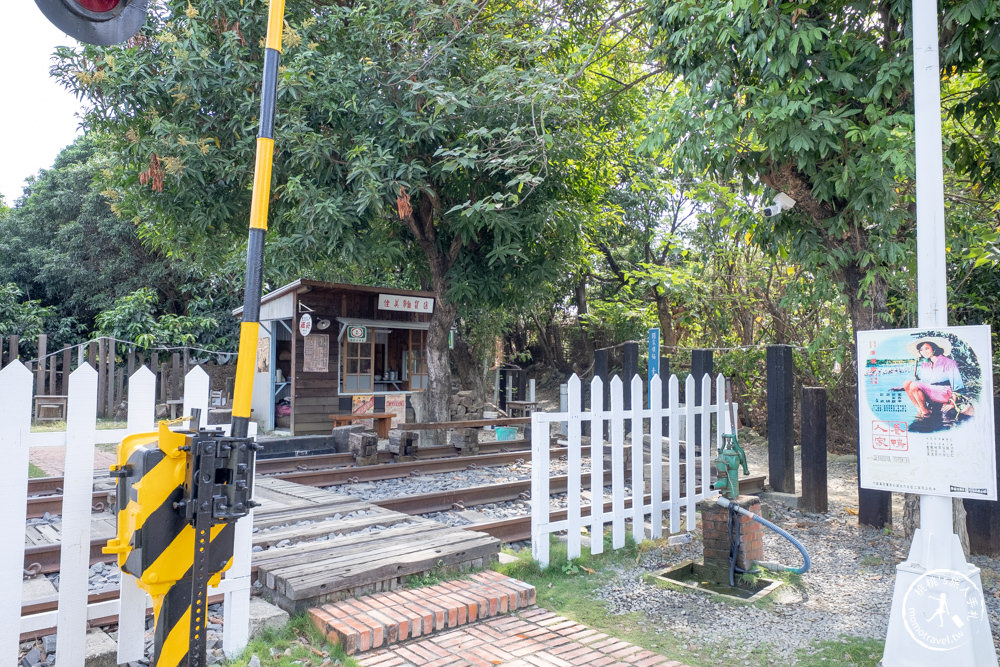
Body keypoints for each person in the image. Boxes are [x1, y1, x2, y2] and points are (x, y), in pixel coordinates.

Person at [902, 338, 966, 418]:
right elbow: (923, 383)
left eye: (927, 348)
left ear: (934, 348)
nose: (924, 352)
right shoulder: (925, 364)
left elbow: (958, 385)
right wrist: (902, 388)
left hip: (945, 392)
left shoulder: (949, 362)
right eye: (921, 350)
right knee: (906, 383)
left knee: (914, 385)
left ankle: (925, 413)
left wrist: (952, 404)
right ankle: (920, 410)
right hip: (931, 392)